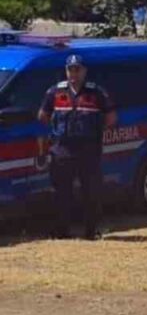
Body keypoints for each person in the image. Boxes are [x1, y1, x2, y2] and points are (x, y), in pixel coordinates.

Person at [37, 54, 117, 239]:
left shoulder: (96, 92)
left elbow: (112, 118)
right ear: (66, 71)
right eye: (70, 69)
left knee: (91, 192)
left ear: (84, 71)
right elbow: (42, 115)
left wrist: (93, 131)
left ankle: (90, 232)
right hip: (62, 150)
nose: (74, 73)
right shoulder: (55, 92)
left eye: (77, 69)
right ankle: (62, 231)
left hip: (88, 150)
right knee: (62, 192)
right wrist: (58, 130)